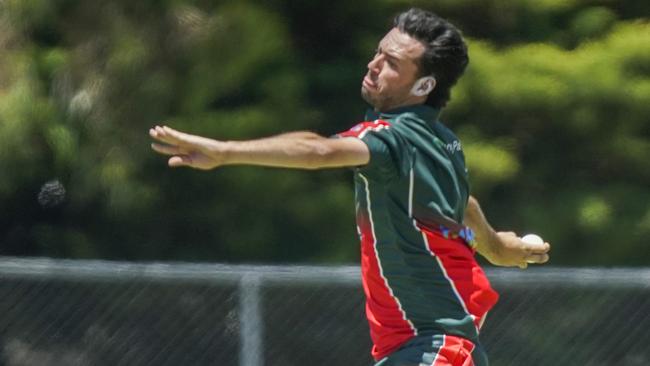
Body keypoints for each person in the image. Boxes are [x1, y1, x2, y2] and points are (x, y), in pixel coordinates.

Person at [150, 8, 550, 366]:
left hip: (436, 347)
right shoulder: (440, 140)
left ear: (424, 86)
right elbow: (463, 204)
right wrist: (497, 247)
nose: (374, 64)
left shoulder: (392, 137)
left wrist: (224, 151)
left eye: (391, 62)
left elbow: (320, 151)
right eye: (378, 52)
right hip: (415, 348)